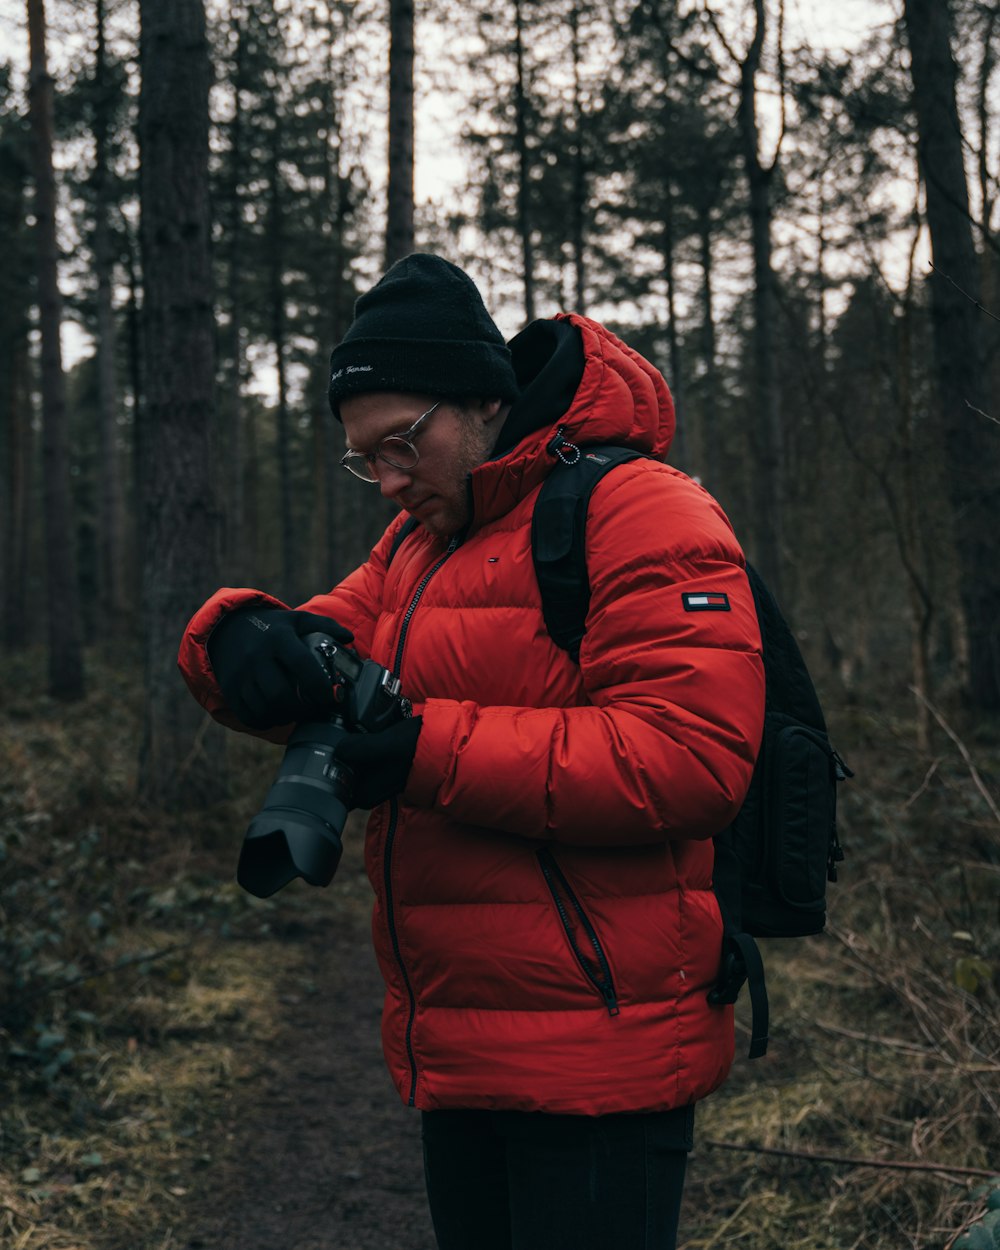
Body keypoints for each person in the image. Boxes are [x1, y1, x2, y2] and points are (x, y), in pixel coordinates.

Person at [178, 253, 765, 1250]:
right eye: (368, 459)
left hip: (601, 1054)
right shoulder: (418, 540)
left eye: (404, 443)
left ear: (484, 400)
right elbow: (321, 646)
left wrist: (421, 749)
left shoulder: (642, 511)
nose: (391, 480)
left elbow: (688, 755)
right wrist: (235, 634)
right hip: (458, 1040)